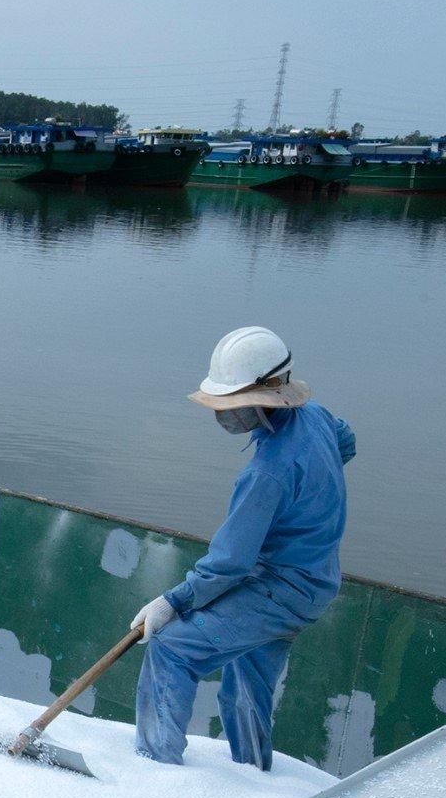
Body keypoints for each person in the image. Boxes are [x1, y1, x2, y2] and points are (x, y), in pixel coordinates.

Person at [132, 326, 355, 769]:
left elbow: (229, 564)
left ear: (265, 398)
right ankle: (253, 774)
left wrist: (171, 602)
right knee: (248, 677)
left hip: (278, 588)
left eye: (235, 405)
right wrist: (308, 499)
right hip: (315, 582)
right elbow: (346, 442)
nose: (227, 416)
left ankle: (156, 770)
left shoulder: (268, 474)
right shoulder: (317, 418)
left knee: (172, 649)